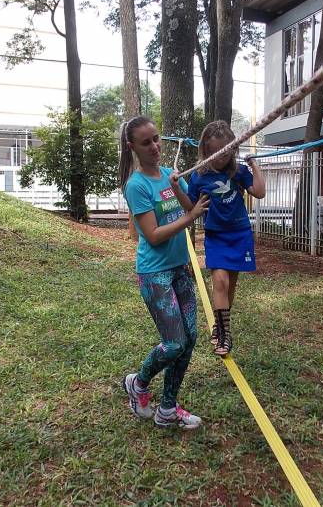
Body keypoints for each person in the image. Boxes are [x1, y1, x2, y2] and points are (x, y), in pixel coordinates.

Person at [119, 115, 210, 430]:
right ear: (132, 147)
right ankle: (138, 383)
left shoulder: (171, 175)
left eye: (156, 138)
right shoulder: (136, 186)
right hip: (154, 273)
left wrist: (185, 190)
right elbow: (154, 235)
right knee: (173, 343)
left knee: (190, 337)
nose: (155, 146)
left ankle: (168, 409)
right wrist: (191, 216)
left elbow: (190, 204)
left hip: (179, 268)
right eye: (146, 142)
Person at [170, 120, 265, 357]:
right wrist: (177, 189)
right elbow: (190, 206)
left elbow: (259, 192)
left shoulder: (238, 172)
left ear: (232, 149)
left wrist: (254, 165)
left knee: (230, 284)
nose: (219, 157)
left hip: (239, 234)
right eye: (213, 152)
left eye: (224, 151)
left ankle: (220, 325)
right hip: (216, 236)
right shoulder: (199, 176)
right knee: (220, 281)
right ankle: (224, 333)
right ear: (205, 150)